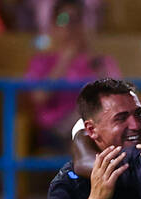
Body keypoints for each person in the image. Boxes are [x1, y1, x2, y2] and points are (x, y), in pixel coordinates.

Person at [25, 1, 120, 150]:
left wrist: (96, 65)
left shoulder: (101, 61)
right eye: (64, 20)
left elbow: (118, 97)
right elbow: (39, 97)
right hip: (55, 131)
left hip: (96, 130)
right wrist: (64, 62)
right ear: (52, 25)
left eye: (77, 20)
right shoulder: (41, 62)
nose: (71, 27)